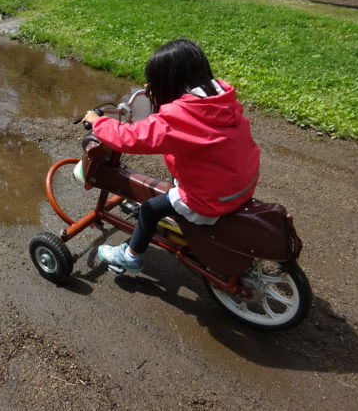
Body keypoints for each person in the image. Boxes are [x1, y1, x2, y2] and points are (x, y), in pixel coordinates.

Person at [81, 38, 260, 272]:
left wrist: (99, 123)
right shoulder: (219, 98)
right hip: (242, 184)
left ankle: (131, 256)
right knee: (177, 179)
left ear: (168, 82)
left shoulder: (181, 116)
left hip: (211, 198)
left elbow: (131, 138)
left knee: (149, 208)